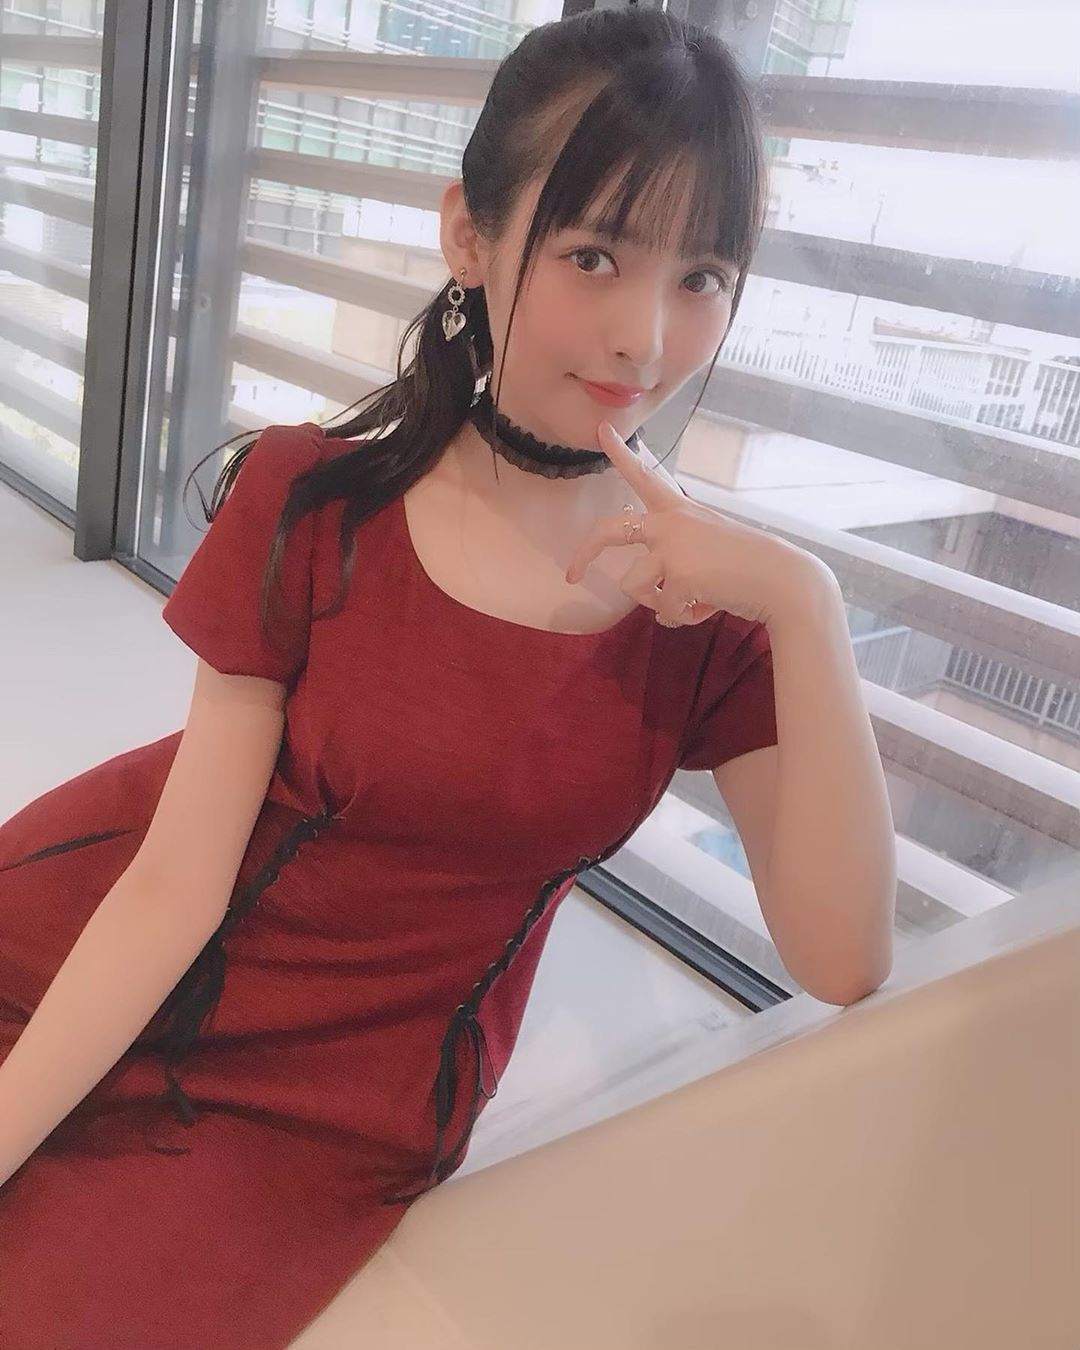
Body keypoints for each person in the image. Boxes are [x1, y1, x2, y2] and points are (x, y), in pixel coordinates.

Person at [0, 7, 895, 1347]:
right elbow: (172, 885)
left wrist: (809, 603)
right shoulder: (316, 498)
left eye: (703, 276)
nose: (646, 336)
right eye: (595, 255)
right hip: (77, 947)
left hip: (326, 1110)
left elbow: (844, 958)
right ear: (469, 236)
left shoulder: (713, 610)